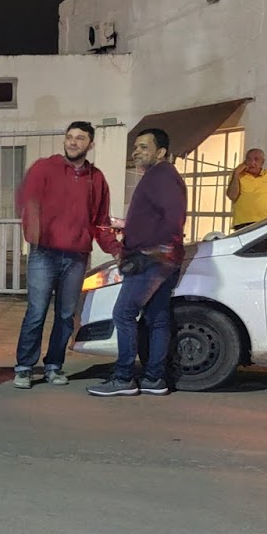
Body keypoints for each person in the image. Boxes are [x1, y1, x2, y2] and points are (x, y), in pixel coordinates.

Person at [11, 121, 123, 389]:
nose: (73, 142)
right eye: (70, 137)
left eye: (80, 138)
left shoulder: (96, 179)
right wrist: (33, 229)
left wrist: (116, 250)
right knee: (36, 312)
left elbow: (100, 222)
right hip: (44, 254)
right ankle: (24, 367)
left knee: (65, 315)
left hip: (76, 257)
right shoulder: (44, 168)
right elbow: (25, 199)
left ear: (90, 144)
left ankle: (54, 365)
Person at [88, 127, 187, 398]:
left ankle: (123, 378)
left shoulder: (162, 176)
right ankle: (154, 378)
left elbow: (173, 217)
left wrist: (155, 250)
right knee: (157, 317)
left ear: (161, 152)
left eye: (144, 147)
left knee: (124, 313)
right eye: (135, 147)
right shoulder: (159, 176)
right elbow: (159, 217)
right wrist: (128, 226)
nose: (136, 151)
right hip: (163, 257)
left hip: (151, 259)